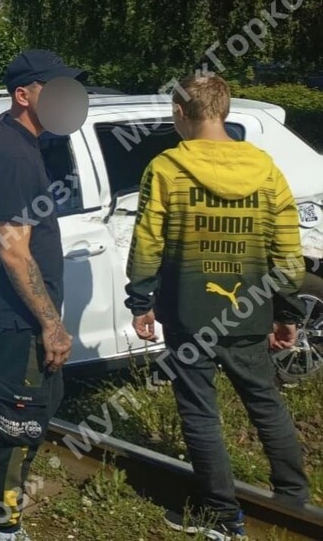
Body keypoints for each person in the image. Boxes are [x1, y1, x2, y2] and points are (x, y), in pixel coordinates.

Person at [125, 73, 308, 539]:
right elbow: (287, 249)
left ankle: (224, 518)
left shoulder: (165, 168)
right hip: (249, 312)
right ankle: (293, 501)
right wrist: (287, 313)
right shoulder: (265, 169)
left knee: (199, 411)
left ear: (181, 113)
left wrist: (140, 299)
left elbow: (148, 242)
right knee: (265, 402)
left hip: (188, 313)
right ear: (223, 110)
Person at [0, 50, 86, 540]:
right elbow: (14, 251)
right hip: (20, 318)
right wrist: (50, 323)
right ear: (24, 95)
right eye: (54, 88)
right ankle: (0, 525)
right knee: (21, 420)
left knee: (41, 400)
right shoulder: (13, 153)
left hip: (22, 315)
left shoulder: (22, 143)